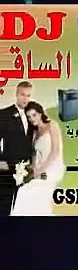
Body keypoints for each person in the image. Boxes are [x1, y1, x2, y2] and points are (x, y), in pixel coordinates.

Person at [11, 101, 66, 216]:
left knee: (38, 191)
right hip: (40, 168)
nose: (32, 119)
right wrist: (31, 171)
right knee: (23, 191)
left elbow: (55, 151)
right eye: (29, 117)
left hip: (53, 166)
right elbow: (34, 155)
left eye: (34, 115)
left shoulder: (52, 125)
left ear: (40, 114)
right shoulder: (35, 132)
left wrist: (41, 170)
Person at [0, 81, 38, 216]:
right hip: (7, 168)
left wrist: (33, 165)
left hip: (27, 170)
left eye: (28, 95)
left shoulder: (33, 116)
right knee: (4, 206)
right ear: (16, 94)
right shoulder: (4, 114)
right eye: (22, 95)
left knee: (23, 207)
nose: (25, 99)